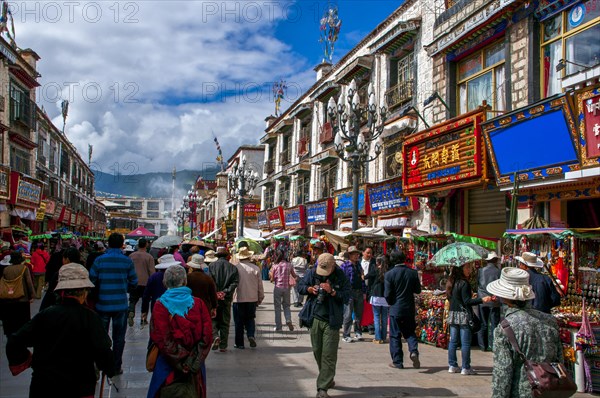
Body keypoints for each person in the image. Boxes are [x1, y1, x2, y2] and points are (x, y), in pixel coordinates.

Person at [6, 263, 115, 397]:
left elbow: (15, 341)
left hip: (44, 386)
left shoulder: (44, 315)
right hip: (79, 387)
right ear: (84, 292)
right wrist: (109, 368)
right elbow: (103, 351)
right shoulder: (90, 318)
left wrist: (28, 360)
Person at [488, 267, 563, 398]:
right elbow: (559, 362)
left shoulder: (505, 328)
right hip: (548, 391)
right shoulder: (550, 321)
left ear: (505, 297)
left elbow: (502, 376)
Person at [147, 265, 213, 398]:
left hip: (168, 363)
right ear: (184, 281)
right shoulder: (198, 303)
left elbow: (162, 339)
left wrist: (180, 359)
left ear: (165, 283)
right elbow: (207, 336)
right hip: (195, 362)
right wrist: (193, 361)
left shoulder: (160, 305)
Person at [298, 253, 351, 398]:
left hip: (332, 320)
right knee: (317, 351)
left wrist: (332, 291)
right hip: (315, 317)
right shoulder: (312, 273)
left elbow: (347, 296)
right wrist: (310, 289)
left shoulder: (340, 276)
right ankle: (327, 377)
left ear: (333, 266)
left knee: (328, 354)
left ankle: (322, 388)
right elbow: (300, 286)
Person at [89, 232, 138, 375]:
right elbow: (134, 282)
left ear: (108, 244)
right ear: (121, 245)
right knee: (119, 338)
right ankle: (116, 367)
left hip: (102, 304)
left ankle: (100, 364)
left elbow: (92, 281)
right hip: (121, 305)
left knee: (101, 337)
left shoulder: (99, 260)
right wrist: (124, 287)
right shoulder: (126, 261)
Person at [446, 262, 494, 375]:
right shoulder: (464, 283)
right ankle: (465, 367)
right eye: (467, 267)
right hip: (463, 316)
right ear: (460, 269)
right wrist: (482, 299)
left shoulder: (451, 283)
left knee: (453, 341)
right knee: (465, 343)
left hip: (453, 314)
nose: (469, 270)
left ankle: (452, 365)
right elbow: (467, 301)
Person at [384, 250, 421, 369]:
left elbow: (387, 294)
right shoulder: (413, 273)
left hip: (395, 308)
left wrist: (390, 303)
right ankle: (414, 350)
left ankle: (397, 361)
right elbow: (418, 290)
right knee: (410, 332)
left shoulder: (389, 274)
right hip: (408, 307)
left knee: (395, 335)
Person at [232, 246, 264, 349]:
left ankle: (239, 343)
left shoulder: (235, 268)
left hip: (238, 299)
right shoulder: (255, 268)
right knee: (250, 319)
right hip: (252, 298)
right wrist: (260, 297)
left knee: (238, 322)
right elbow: (260, 285)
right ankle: (251, 335)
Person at [208, 246, 239, 352]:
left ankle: (215, 336)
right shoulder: (233, 268)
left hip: (214, 297)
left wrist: (216, 293)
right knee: (225, 321)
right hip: (226, 298)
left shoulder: (211, 266)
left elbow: (210, 281)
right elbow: (235, 282)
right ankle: (223, 346)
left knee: (213, 319)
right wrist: (225, 292)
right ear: (227, 256)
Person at [0, 251, 35, 337]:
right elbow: (29, 283)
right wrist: (32, 295)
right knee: (22, 321)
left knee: (10, 320)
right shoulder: (24, 268)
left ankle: (10, 336)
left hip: (8, 299)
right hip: (22, 298)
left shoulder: (6, 269)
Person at [39, 247, 83, 311]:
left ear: (67, 259)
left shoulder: (60, 274)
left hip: (61, 309)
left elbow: (49, 295)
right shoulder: (83, 273)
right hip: (79, 310)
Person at [142, 254, 180, 324]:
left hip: (157, 306)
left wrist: (144, 310)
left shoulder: (154, 277)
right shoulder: (178, 276)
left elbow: (146, 295)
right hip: (174, 307)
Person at [128, 238, 156, 327]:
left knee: (132, 299)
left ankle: (131, 312)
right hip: (145, 283)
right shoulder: (149, 257)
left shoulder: (131, 256)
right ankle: (143, 319)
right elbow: (152, 272)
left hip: (133, 281)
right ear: (146, 245)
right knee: (145, 301)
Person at [477, 251, 501, 351]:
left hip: (483, 299)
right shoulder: (499, 272)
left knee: (483, 324)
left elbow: (478, 284)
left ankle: (483, 346)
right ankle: (494, 345)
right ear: (495, 260)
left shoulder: (481, 271)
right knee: (495, 324)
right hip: (495, 300)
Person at [340, 246, 364, 342]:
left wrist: (364, 291)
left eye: (357, 254)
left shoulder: (359, 265)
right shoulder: (344, 266)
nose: (356, 256)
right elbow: (341, 280)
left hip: (359, 291)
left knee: (359, 314)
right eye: (354, 254)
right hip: (349, 292)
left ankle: (358, 332)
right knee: (348, 315)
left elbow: (362, 279)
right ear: (349, 255)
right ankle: (346, 335)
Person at [269, 249, 297, 331]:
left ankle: (279, 327)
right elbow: (294, 275)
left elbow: (272, 279)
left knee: (277, 308)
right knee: (286, 305)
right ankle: (288, 319)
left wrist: (271, 275)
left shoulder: (275, 266)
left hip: (278, 288)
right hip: (287, 288)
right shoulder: (289, 265)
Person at [366, 254, 390, 344]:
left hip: (376, 295)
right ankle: (383, 337)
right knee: (384, 317)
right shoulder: (387, 271)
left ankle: (377, 337)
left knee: (376, 317)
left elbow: (366, 277)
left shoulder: (375, 270)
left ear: (377, 262)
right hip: (385, 296)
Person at [187, 254, 218, 318]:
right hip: (205, 307)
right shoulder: (208, 278)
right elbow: (213, 294)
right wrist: (214, 307)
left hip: (190, 306)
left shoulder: (187, 278)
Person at [360, 246, 376, 335]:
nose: (369, 255)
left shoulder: (373, 262)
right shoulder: (358, 262)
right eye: (368, 252)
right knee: (361, 307)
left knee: (370, 307)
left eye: (371, 253)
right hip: (360, 288)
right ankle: (363, 325)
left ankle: (370, 326)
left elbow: (373, 272)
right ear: (363, 252)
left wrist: (364, 277)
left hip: (370, 287)